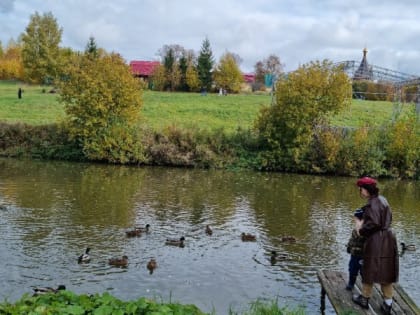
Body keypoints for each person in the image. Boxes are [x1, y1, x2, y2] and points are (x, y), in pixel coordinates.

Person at [352, 176, 399, 315]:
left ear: (366, 190)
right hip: (389, 239)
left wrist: (360, 229)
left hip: (376, 240)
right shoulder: (383, 200)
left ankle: (364, 299)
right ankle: (387, 305)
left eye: (361, 189)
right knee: (386, 271)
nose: (360, 192)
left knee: (369, 268)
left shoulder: (372, 204)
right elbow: (386, 218)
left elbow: (374, 223)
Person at [345, 208, 365, 291]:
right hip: (354, 255)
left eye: (356, 218)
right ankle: (351, 283)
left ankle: (365, 287)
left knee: (364, 272)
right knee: (352, 269)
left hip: (363, 256)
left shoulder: (366, 230)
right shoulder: (354, 229)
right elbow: (351, 240)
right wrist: (349, 248)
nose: (354, 220)